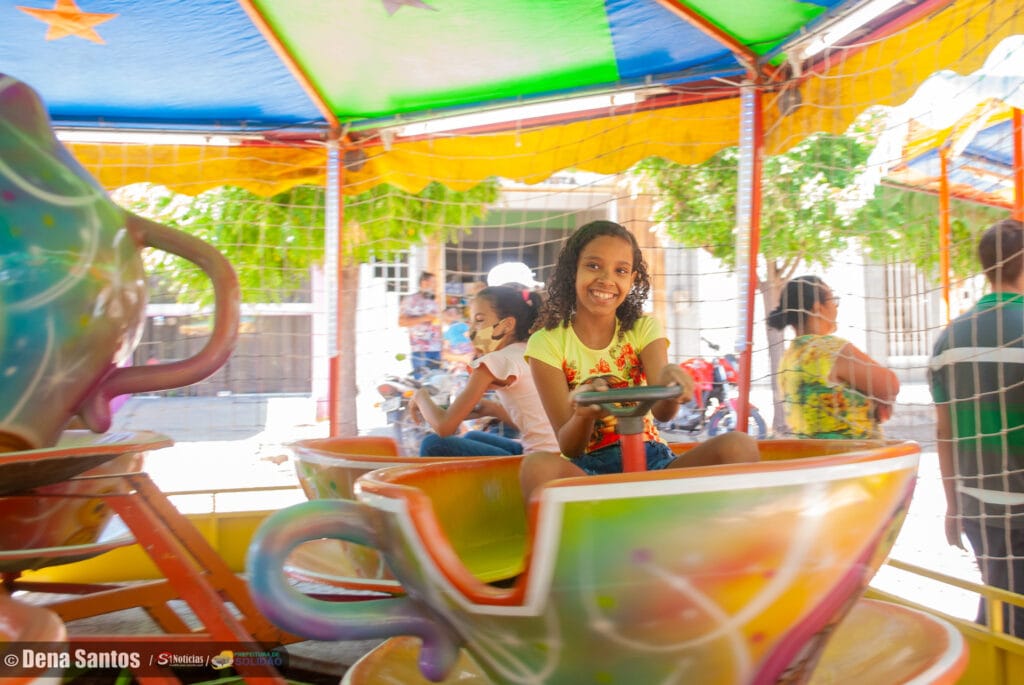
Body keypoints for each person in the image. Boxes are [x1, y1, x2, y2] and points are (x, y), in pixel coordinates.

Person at [520, 220, 759, 501]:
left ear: (632, 279)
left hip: (653, 461)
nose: (606, 279)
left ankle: (721, 528)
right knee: (537, 467)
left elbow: (663, 413)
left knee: (738, 446)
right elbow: (569, 446)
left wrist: (671, 381)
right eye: (593, 266)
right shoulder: (546, 342)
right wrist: (584, 414)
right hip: (588, 470)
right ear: (573, 270)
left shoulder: (643, 328)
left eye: (620, 271)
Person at [928, 218, 1024, 638]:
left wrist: (953, 506)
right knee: (1010, 617)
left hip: (977, 507)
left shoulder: (948, 341)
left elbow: (944, 432)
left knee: (1001, 603)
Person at [410, 285, 560, 457]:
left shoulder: (494, 361)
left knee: (433, 444)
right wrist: (492, 409)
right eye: (470, 322)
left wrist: (419, 396)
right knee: (473, 436)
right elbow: (537, 423)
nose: (470, 332)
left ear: (507, 325)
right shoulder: (530, 352)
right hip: (559, 454)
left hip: (540, 462)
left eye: (479, 320)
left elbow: (444, 427)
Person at [767, 275, 899, 439]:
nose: (836, 308)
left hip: (811, 451)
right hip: (852, 452)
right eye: (832, 300)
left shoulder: (788, 359)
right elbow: (890, 384)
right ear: (818, 308)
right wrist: (881, 397)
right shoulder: (829, 349)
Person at [399, 271, 442, 379]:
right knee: (422, 384)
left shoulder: (435, 300)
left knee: (436, 384)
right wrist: (424, 318)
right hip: (420, 350)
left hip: (437, 349)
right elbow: (401, 322)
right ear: (424, 282)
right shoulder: (410, 299)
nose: (436, 286)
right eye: (433, 282)